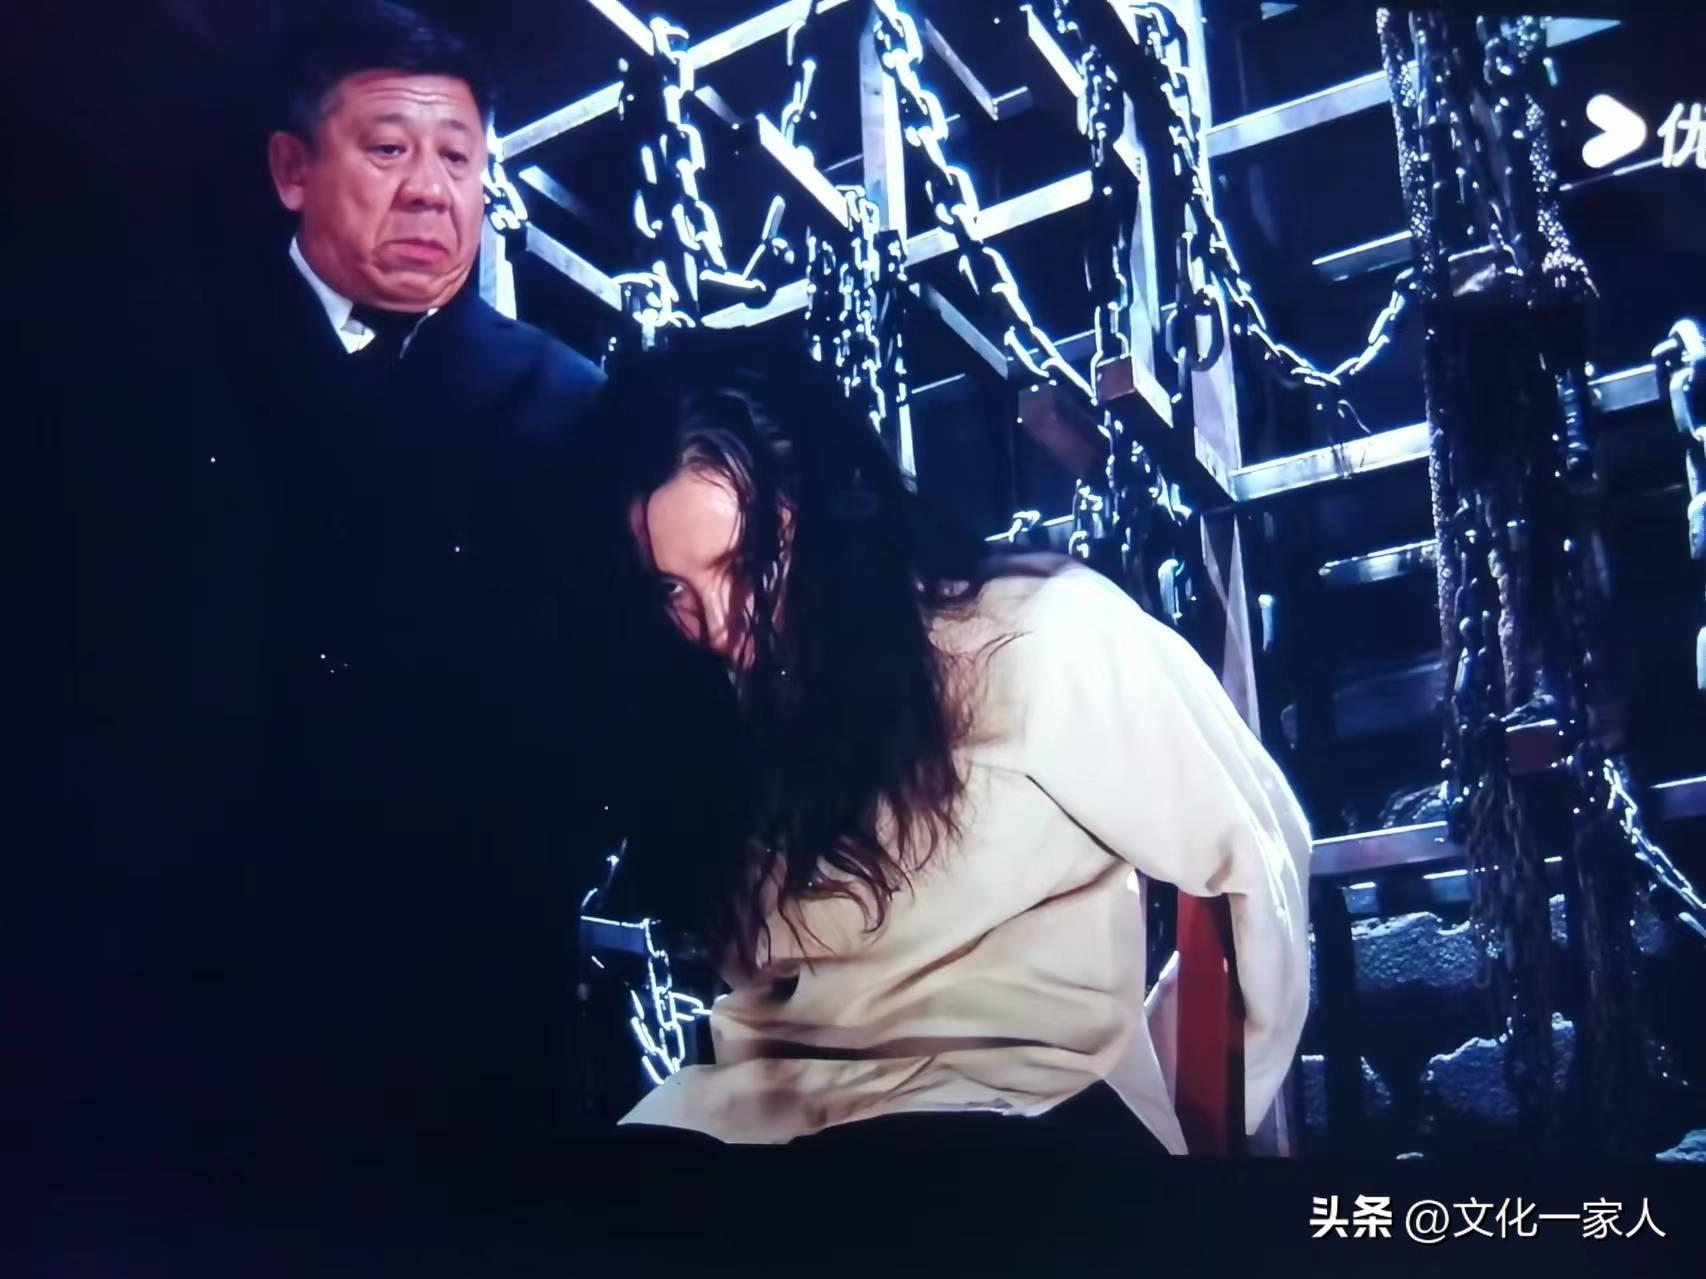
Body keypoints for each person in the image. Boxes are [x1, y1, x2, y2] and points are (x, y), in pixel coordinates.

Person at [585, 333, 1313, 1156]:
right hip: (766, 1111)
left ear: (828, 511)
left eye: (746, 562)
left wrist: (1189, 1119)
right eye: (674, 589)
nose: (718, 624)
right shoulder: (720, 706)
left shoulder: (1036, 635)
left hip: (1006, 1112)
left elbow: (1255, 857)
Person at [180, 0, 608, 1181]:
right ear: (291, 170)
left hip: (476, 981)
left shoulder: (567, 404)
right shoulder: (166, 363)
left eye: (458, 159)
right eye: (387, 148)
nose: (430, 191)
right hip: (201, 968)